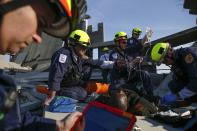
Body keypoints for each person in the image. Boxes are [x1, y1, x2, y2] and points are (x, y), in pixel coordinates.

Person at [0, 0, 87, 130]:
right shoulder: (64, 54)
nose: (38, 38)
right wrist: (52, 93)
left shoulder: (3, 86)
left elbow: (10, 121)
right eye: (40, 21)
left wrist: (59, 126)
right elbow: (56, 73)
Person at [46, 29, 114, 104]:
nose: (85, 50)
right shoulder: (63, 55)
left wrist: (114, 64)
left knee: (89, 69)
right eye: (83, 47)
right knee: (82, 94)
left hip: (72, 84)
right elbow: (56, 75)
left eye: (86, 47)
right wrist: (51, 95)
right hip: (61, 87)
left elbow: (96, 63)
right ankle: (59, 95)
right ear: (75, 44)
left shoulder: (78, 56)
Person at [109, 31, 154, 98]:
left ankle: (151, 96)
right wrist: (133, 62)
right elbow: (122, 67)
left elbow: (138, 46)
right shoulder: (114, 54)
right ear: (117, 43)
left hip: (129, 76)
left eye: (126, 42)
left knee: (145, 74)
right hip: (119, 81)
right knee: (136, 91)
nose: (126, 44)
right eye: (124, 42)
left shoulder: (126, 51)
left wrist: (147, 35)